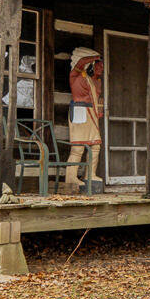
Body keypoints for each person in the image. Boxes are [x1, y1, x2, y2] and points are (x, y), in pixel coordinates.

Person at [63, 47, 104, 193]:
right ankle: (71, 178)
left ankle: (90, 174)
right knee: (78, 147)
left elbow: (97, 95)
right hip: (80, 110)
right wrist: (95, 56)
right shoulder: (75, 74)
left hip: (90, 112)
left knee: (95, 146)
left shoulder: (90, 79)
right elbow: (81, 62)